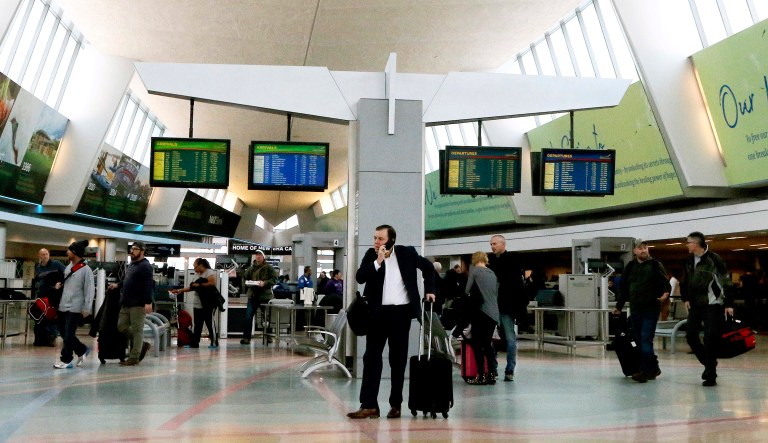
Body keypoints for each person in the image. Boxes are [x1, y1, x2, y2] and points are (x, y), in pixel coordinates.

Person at [347, 224, 435, 420]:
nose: (376, 242)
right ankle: (369, 405)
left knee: (398, 360)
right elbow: (360, 277)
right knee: (371, 358)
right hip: (377, 315)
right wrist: (378, 262)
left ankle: (396, 404)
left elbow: (429, 268)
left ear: (391, 240)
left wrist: (430, 289)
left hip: (401, 314)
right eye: (375, 238)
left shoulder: (407, 253)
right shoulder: (371, 255)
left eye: (380, 239)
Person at [612, 239, 671, 383]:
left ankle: (644, 371)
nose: (643, 250)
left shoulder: (655, 265)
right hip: (636, 309)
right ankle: (654, 367)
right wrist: (619, 307)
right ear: (634, 251)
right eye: (640, 248)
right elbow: (624, 288)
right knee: (639, 339)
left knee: (645, 338)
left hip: (651, 308)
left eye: (645, 248)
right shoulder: (631, 266)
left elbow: (665, 283)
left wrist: (665, 293)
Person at [681, 231, 734, 387]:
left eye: (688, 242)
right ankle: (709, 362)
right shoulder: (688, 261)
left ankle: (710, 374)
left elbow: (726, 281)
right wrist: (685, 298)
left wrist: (729, 304)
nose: (687, 245)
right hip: (695, 304)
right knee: (690, 335)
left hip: (712, 303)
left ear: (697, 243)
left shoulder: (714, 259)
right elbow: (684, 281)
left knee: (710, 337)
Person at [487, 234, 525, 382]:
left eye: (494, 243)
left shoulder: (512, 260)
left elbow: (515, 285)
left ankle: (509, 369)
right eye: (491, 244)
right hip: (492, 306)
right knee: (492, 339)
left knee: (509, 338)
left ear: (503, 244)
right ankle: (493, 368)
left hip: (506, 306)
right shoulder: (490, 261)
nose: (492, 246)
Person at [111, 241, 154, 366]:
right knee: (121, 326)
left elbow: (148, 285)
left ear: (142, 251)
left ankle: (134, 357)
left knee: (137, 330)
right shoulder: (132, 265)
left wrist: (148, 302)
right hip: (126, 302)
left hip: (138, 304)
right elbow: (126, 280)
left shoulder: (145, 266)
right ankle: (141, 344)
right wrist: (118, 285)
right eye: (131, 249)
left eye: (135, 249)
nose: (132, 251)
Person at [53, 240, 95, 369]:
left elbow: (89, 289)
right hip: (63, 305)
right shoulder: (68, 267)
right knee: (63, 332)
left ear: (75, 253)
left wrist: (87, 307)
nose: (67, 252)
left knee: (69, 334)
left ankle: (67, 360)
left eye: (69, 250)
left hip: (75, 307)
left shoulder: (86, 270)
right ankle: (82, 349)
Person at [464, 251, 500, 385]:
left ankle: (481, 376)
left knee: (478, 344)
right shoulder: (492, 273)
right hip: (493, 313)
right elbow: (495, 293)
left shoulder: (475, 271)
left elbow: (467, 290)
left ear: (474, 259)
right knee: (488, 344)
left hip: (480, 312)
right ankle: (491, 374)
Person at [171, 258, 218, 348]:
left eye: (195, 266)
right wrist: (179, 291)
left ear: (201, 265)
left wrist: (199, 285)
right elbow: (191, 287)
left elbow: (212, 283)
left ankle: (214, 342)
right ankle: (195, 343)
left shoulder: (209, 272)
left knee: (210, 323)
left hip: (207, 303)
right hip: (197, 303)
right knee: (197, 324)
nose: (194, 269)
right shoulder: (197, 274)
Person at [240, 250, 276, 345]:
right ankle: (246, 337)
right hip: (253, 295)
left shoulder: (269, 268)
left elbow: (273, 280)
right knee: (248, 316)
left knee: (267, 317)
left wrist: (265, 283)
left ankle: (268, 336)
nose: (258, 256)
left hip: (265, 296)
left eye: (260, 255)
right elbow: (245, 277)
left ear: (263, 257)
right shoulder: (252, 268)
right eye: (256, 255)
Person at [32, 248, 64, 346]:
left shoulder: (56, 264)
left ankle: (52, 336)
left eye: (46, 254)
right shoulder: (38, 268)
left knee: (52, 315)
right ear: (39, 256)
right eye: (43, 254)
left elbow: (67, 273)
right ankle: (41, 338)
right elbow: (39, 280)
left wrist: (60, 284)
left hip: (54, 295)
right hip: (42, 295)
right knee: (42, 316)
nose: (45, 256)